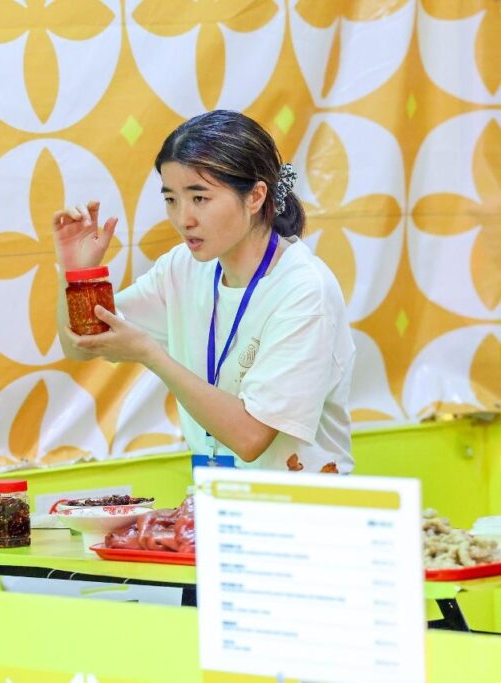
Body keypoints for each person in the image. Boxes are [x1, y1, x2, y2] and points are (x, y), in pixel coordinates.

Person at [53, 110, 355, 474]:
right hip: (220, 499)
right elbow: (82, 346)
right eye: (171, 199)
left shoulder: (304, 289)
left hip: (303, 504)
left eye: (200, 198)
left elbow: (250, 438)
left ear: (255, 196)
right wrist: (76, 274)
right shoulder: (183, 266)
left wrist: (151, 355)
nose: (184, 219)